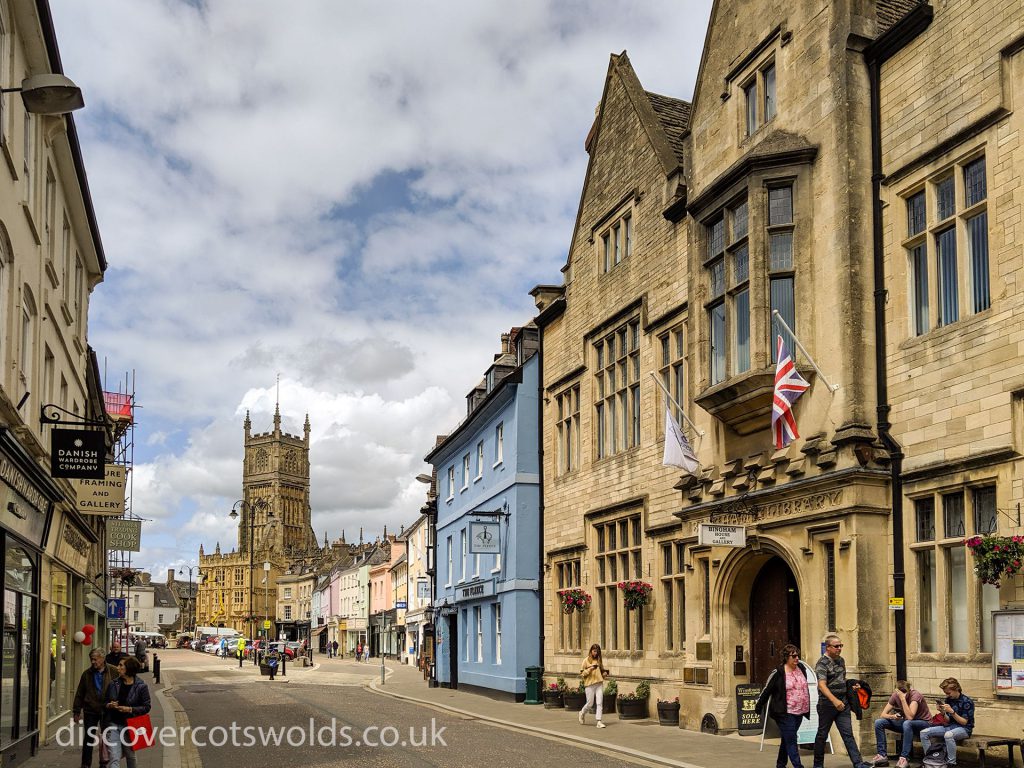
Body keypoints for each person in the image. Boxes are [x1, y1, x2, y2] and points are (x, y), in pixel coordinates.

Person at [813, 635, 871, 768]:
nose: (839, 648)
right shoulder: (822, 663)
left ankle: (858, 763)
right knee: (822, 735)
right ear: (828, 647)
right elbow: (821, 685)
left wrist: (851, 686)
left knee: (848, 734)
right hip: (827, 704)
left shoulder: (841, 660)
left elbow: (840, 680)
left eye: (841, 646)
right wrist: (834, 701)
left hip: (843, 703)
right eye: (836, 646)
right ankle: (817, 765)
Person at [756, 644, 813, 768]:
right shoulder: (778, 672)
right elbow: (767, 689)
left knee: (787, 739)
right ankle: (798, 766)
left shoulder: (801, 668)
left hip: (800, 711)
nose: (797, 658)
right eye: (794, 656)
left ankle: (780, 764)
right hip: (784, 712)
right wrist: (759, 705)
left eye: (797, 655)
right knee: (792, 739)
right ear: (786, 657)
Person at [73, 648, 119, 768]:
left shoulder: (113, 671)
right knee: (88, 738)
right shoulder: (87, 674)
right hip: (90, 709)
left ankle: (104, 762)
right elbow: (80, 693)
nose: (93, 662)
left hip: (108, 710)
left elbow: (122, 686)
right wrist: (76, 711)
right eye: (91, 659)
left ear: (103, 658)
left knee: (106, 737)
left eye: (95, 659)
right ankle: (85, 764)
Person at [102, 656, 151, 768]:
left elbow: (146, 707)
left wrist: (130, 709)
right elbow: (104, 702)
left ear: (128, 669)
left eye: (121, 665)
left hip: (131, 726)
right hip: (113, 724)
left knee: (130, 756)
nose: (118, 668)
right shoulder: (114, 683)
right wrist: (109, 705)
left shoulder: (141, 686)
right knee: (114, 757)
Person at [870, 680, 933, 768]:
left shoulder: (915, 695)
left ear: (909, 689)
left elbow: (910, 717)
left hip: (924, 723)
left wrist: (903, 700)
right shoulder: (895, 695)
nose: (903, 694)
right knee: (879, 722)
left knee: (907, 723)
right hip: (907, 724)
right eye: (900, 692)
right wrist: (893, 716)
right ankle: (882, 756)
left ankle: (904, 758)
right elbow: (883, 714)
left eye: (905, 692)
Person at [920, 678, 974, 767]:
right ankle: (929, 759)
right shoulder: (949, 700)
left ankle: (951, 763)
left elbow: (964, 722)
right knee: (924, 733)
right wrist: (943, 712)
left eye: (948, 693)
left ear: (956, 689)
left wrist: (952, 712)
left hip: (964, 729)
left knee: (948, 735)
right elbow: (948, 720)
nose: (947, 695)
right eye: (945, 693)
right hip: (950, 726)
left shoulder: (967, 701)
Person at [578, 643, 609, 728]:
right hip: (589, 684)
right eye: (594, 651)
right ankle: (582, 713)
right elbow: (582, 674)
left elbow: (601, 672)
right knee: (590, 703)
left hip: (599, 683)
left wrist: (604, 674)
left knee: (599, 702)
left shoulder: (599, 660)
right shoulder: (586, 660)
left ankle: (599, 721)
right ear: (591, 651)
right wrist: (590, 669)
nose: (596, 653)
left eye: (597, 651)